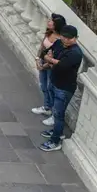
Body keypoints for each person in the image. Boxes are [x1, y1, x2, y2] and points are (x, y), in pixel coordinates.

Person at [40, 24, 83, 152]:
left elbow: (61, 66)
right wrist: (51, 59)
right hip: (54, 82)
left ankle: (55, 141)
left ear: (75, 38)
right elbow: (44, 53)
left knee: (58, 115)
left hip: (64, 88)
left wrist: (50, 59)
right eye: (64, 37)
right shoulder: (58, 43)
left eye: (69, 38)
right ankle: (57, 132)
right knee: (55, 111)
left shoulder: (75, 52)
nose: (65, 40)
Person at [32, 14, 67, 123]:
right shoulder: (49, 32)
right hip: (43, 61)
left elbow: (56, 57)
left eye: (51, 21)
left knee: (50, 87)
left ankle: (52, 110)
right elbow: (42, 47)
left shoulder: (60, 40)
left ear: (57, 25)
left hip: (51, 66)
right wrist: (37, 59)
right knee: (43, 85)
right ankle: (46, 107)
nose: (49, 22)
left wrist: (44, 66)